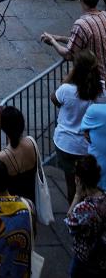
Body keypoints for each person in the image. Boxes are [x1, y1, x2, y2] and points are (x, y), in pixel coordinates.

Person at [52, 51, 105, 203]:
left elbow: (54, 98)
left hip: (66, 144)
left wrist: (69, 77)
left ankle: (74, 214)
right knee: (91, 185)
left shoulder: (66, 90)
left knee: (72, 185)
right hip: (88, 146)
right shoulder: (102, 90)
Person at [42, 0, 106, 79]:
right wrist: (58, 38)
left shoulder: (81, 24)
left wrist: (52, 41)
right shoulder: (104, 15)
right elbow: (80, 42)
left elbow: (68, 55)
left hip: (96, 80)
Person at [66, 154, 106, 277]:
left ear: (78, 180)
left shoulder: (82, 208)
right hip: (102, 256)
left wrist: (77, 195)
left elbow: (70, 222)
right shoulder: (104, 197)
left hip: (84, 258)